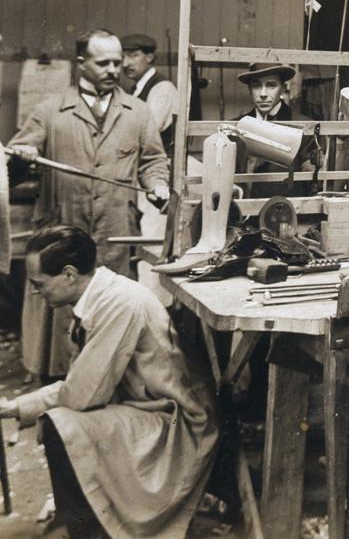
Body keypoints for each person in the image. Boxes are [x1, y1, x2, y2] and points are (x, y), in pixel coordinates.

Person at [0, 226, 218, 538]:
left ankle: (84, 529)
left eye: (40, 284)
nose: (37, 292)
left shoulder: (118, 303)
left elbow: (81, 396)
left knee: (60, 424)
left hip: (176, 422)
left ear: (69, 274)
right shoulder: (103, 294)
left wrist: (17, 406)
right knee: (63, 421)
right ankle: (81, 520)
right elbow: (84, 384)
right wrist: (17, 407)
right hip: (146, 405)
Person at [6, 28, 169, 383]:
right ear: (82, 64)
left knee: (111, 323)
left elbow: (153, 161)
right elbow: (11, 167)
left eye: (118, 61)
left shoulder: (138, 112)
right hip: (60, 236)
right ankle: (57, 400)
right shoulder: (50, 111)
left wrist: (158, 184)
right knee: (59, 333)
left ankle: (105, 402)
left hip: (115, 237)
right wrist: (24, 156)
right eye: (104, 62)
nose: (115, 68)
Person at [121, 32, 179, 304]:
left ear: (149, 56)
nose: (125, 63)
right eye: (123, 56)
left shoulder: (162, 88)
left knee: (151, 249)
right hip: (139, 180)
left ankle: (156, 313)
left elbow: (145, 133)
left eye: (132, 55)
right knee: (139, 248)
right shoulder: (134, 90)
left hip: (157, 178)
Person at [235, 62, 318, 198]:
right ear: (249, 89)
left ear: (283, 88)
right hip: (245, 213)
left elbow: (311, 181)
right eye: (256, 86)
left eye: (271, 85)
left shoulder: (304, 126)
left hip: (287, 211)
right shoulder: (236, 125)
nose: (263, 94)